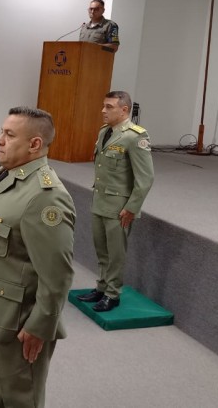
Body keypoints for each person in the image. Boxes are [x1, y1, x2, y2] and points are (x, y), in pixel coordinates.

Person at [0, 107, 75, 408]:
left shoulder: (44, 196)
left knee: (21, 399)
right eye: (2, 131)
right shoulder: (5, 177)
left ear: (34, 144)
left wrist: (40, 327)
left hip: (20, 326)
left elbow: (58, 274)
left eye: (9, 135)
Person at [77, 91, 154, 312]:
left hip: (119, 207)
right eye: (103, 106)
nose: (103, 110)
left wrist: (131, 208)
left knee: (116, 253)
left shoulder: (135, 136)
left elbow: (145, 178)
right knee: (102, 249)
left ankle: (113, 294)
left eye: (109, 107)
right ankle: (101, 288)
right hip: (100, 201)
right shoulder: (105, 132)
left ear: (124, 110)